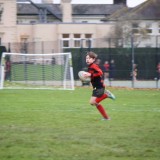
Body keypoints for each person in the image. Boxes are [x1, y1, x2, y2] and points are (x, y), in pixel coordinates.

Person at [84, 51, 115, 120]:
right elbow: (93, 76)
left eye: (89, 58)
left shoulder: (94, 66)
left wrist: (90, 75)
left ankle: (107, 95)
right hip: (95, 87)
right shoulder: (90, 67)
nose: (87, 59)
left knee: (94, 102)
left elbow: (100, 72)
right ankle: (106, 118)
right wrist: (87, 76)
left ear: (93, 59)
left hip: (99, 87)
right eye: (86, 58)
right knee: (93, 103)